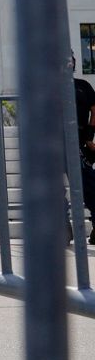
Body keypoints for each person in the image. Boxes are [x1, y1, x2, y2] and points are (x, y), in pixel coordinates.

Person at [75, 65, 95, 243]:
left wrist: (90, 136)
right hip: (53, 145)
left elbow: (94, 110)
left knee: (90, 185)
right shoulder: (46, 86)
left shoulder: (82, 85)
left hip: (79, 142)